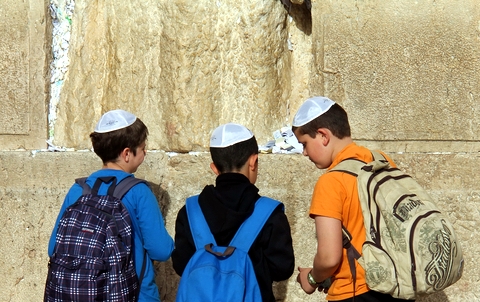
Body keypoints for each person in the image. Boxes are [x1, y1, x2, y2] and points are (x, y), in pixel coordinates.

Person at [293, 96, 413, 302]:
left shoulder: (331, 182)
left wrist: (311, 278)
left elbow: (329, 258)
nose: (304, 153)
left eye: (304, 143)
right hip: (397, 286)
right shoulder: (382, 161)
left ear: (323, 135)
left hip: (355, 292)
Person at [47, 109, 174, 301]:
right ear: (126, 154)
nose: (145, 152)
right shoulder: (138, 192)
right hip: (135, 295)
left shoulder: (78, 190)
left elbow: (53, 248)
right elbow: (161, 250)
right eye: (142, 148)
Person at [172, 123, 295, 302]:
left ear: (214, 168)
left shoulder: (190, 212)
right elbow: (282, 269)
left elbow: (181, 264)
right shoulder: (270, 214)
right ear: (253, 161)